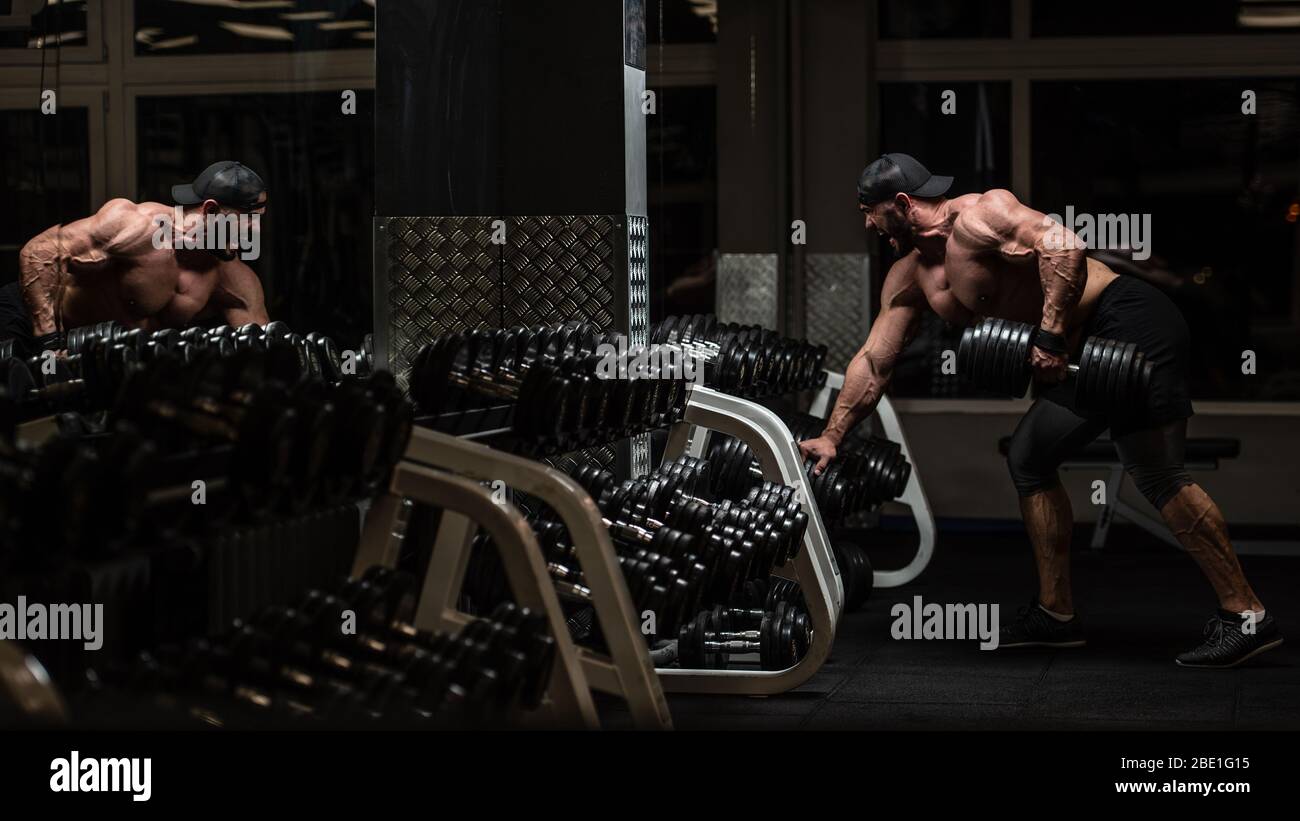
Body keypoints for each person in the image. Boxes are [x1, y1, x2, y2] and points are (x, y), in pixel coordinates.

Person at [799, 152, 1281, 668]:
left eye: (868, 210)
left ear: (901, 203)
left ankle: (1246, 615)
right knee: (1029, 457)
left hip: (1128, 320)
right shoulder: (908, 278)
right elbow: (874, 362)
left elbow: (1064, 245)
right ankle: (1057, 616)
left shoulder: (983, 214)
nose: (866, 223)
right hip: (1081, 351)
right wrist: (833, 433)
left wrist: (1049, 336)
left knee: (1156, 471)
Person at [3, 161, 270, 355]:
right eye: (247, 222)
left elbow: (265, 352)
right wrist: (49, 342)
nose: (253, 233)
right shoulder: (138, 227)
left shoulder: (232, 278)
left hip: (97, 355)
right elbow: (38, 252)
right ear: (211, 210)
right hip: (29, 321)